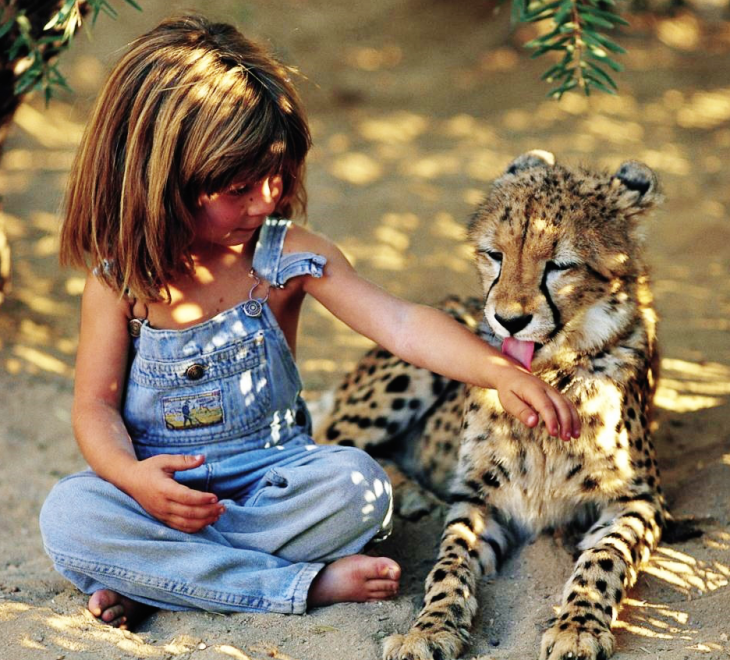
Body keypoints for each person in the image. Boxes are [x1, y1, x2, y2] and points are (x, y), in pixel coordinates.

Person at [39, 15, 581, 630]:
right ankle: (297, 584)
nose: (267, 199)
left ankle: (166, 580)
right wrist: (131, 480)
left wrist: (497, 371)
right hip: (157, 496)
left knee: (360, 488)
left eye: (278, 175)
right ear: (159, 182)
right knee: (70, 513)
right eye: (240, 187)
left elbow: (399, 323)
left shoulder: (287, 255)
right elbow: (96, 408)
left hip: (275, 482)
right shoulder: (119, 283)